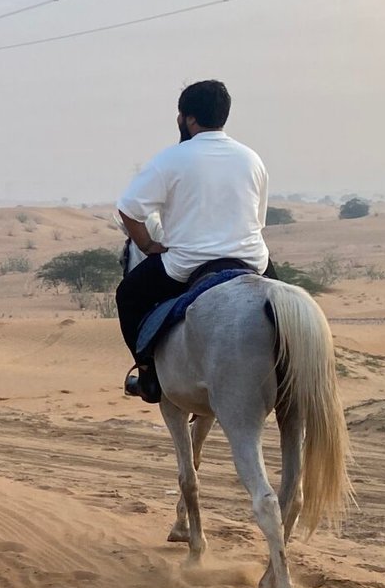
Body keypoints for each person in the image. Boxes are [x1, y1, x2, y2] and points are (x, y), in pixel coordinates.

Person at [115, 79, 270, 404]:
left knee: (127, 295)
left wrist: (147, 246)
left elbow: (129, 210)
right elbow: (258, 221)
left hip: (186, 266)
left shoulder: (171, 159)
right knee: (294, 303)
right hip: (251, 260)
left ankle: (147, 374)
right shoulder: (251, 159)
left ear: (188, 119)